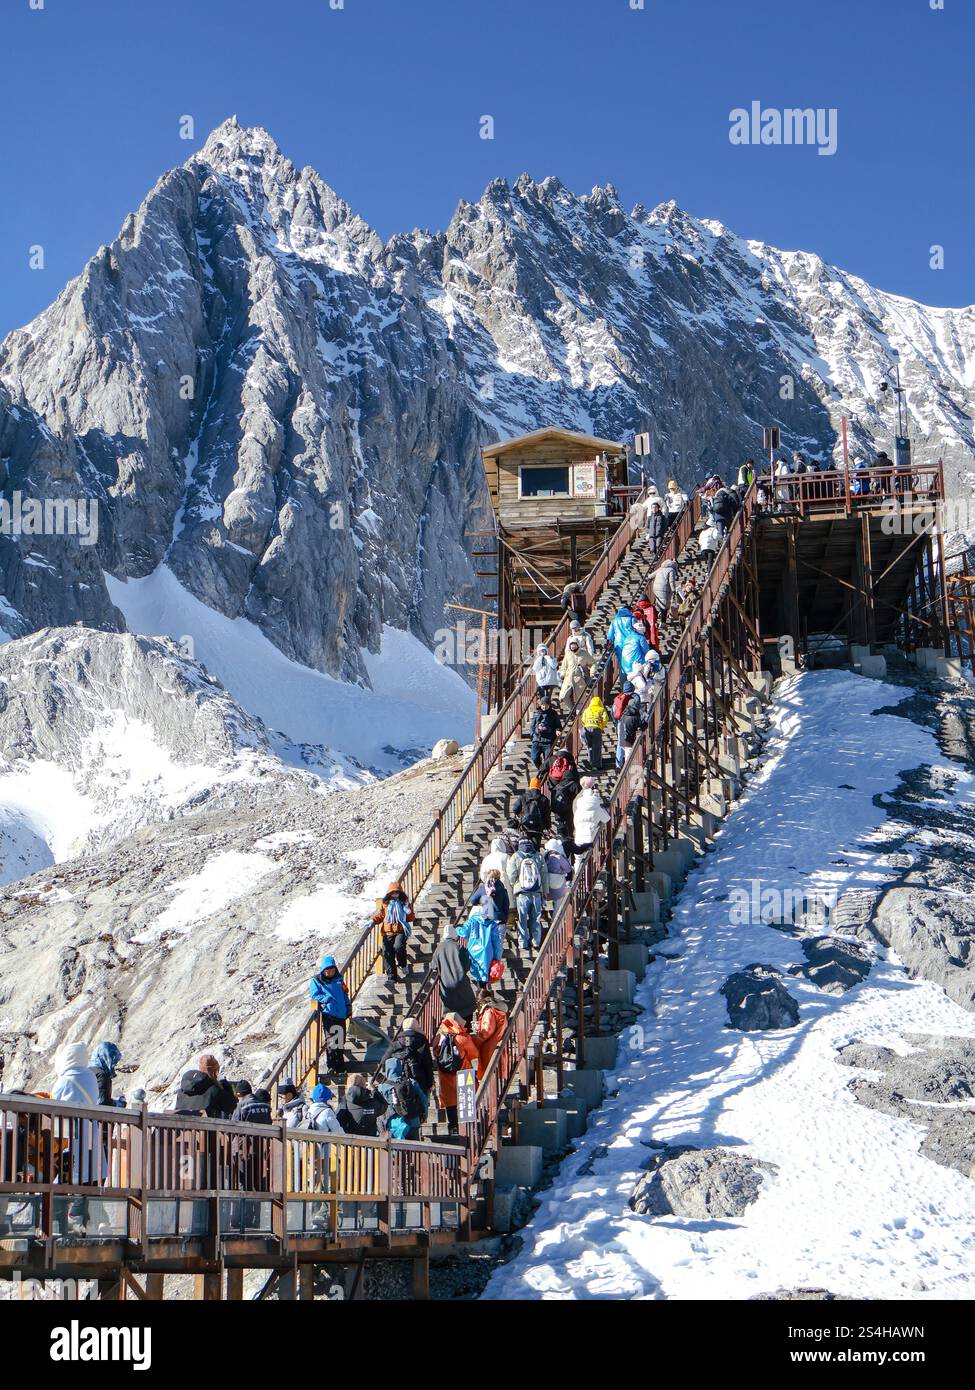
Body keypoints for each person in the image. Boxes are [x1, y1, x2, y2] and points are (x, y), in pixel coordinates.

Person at [52, 1043, 101, 1235]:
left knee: (62, 1180)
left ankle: (58, 1225)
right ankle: (84, 1225)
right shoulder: (90, 1077)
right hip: (89, 1134)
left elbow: (54, 1105)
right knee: (86, 1177)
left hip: (69, 1136)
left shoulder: (66, 1081)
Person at [433, 1013, 479, 1135]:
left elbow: (436, 1054)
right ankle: (469, 1129)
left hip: (445, 1077)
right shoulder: (462, 1038)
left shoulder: (438, 1038)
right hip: (463, 1075)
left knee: (450, 1102)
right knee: (466, 1101)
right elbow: (474, 1054)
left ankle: (453, 1128)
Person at [507, 835, 550, 954]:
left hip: (522, 893)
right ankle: (536, 941)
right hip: (536, 892)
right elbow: (544, 874)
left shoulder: (515, 856)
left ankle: (523, 942)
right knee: (535, 918)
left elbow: (511, 875)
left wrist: (515, 885)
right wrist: (545, 891)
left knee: (522, 918)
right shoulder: (538, 856)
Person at [309, 955, 351, 1073]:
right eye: (327, 970)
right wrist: (325, 998)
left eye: (332, 969)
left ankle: (341, 1066)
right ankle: (332, 1066)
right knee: (332, 1040)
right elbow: (314, 995)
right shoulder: (316, 980)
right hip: (329, 1014)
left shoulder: (339, 979)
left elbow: (345, 994)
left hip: (341, 1014)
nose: (330, 972)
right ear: (323, 970)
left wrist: (348, 1006)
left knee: (340, 1040)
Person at [430, 924, 477, 1022]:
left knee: (451, 1019)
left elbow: (434, 967)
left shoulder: (438, 949)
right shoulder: (459, 947)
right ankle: (466, 1033)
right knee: (467, 1011)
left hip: (446, 986)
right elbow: (467, 965)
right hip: (461, 982)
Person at [372, 881, 414, 984]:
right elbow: (380, 915)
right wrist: (372, 920)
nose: (395, 895)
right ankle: (392, 977)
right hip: (387, 932)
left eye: (397, 892)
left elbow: (411, 917)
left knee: (398, 947)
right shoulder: (385, 904)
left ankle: (402, 964)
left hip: (400, 930)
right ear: (389, 894)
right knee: (387, 954)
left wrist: (408, 910)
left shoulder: (404, 903)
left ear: (400, 893)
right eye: (392, 893)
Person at [383, 1018, 435, 1100]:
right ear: (416, 1028)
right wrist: (430, 1083)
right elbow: (427, 1064)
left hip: (400, 1083)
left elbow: (384, 1061)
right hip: (420, 1081)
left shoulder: (395, 1044)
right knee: (422, 1108)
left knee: (403, 1107)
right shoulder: (422, 1042)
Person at [457, 904, 502, 989]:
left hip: (473, 951)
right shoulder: (492, 923)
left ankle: (481, 993)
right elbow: (497, 942)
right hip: (488, 952)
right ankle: (483, 993)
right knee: (484, 975)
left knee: (477, 973)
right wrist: (497, 958)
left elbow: (463, 933)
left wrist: (456, 929)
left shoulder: (471, 921)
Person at [472, 991, 508, 1079]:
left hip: (490, 1047)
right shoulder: (498, 1009)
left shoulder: (489, 1011)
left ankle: (492, 1092)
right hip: (498, 1042)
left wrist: (474, 1038)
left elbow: (486, 1032)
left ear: (480, 1001)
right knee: (497, 1074)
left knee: (490, 1075)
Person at [573, 776, 610, 860]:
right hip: (590, 835)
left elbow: (575, 819)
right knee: (590, 858)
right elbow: (606, 818)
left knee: (579, 859)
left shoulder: (578, 802)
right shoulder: (596, 805)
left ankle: (577, 871)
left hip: (579, 835)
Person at [548, 747, 580, 834]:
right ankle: (570, 837)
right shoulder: (574, 784)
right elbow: (579, 795)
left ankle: (561, 837)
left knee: (560, 823)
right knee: (570, 822)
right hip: (569, 807)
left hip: (558, 807)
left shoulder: (557, 786)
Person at [512, 776, 552, 843]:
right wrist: (548, 827)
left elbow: (515, 809)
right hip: (538, 826)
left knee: (525, 842)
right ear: (539, 786)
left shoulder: (524, 796)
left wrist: (519, 815)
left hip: (526, 824)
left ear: (530, 786)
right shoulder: (544, 799)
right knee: (536, 845)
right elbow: (547, 815)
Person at [528, 692, 562, 769]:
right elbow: (532, 726)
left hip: (548, 741)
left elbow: (558, 725)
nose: (544, 706)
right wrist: (532, 735)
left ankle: (545, 773)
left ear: (549, 705)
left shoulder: (553, 714)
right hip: (537, 740)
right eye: (542, 705)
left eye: (546, 705)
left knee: (548, 760)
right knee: (534, 757)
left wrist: (558, 730)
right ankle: (541, 769)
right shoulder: (536, 713)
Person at [558, 637, 593, 712]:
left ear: (577, 645)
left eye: (574, 644)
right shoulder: (568, 655)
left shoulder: (584, 654)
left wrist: (592, 673)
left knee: (579, 701)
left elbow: (593, 663)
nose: (572, 646)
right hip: (568, 680)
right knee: (564, 696)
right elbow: (563, 666)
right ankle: (572, 711)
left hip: (580, 681)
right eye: (571, 645)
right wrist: (562, 674)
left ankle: (578, 719)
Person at [471, 866, 510, 930]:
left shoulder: (483, 888)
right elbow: (506, 906)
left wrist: (481, 902)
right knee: (498, 940)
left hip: (486, 920)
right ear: (499, 877)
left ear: (488, 876)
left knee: (486, 940)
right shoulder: (503, 890)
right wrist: (504, 919)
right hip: (499, 920)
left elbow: (473, 900)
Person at [581, 693, 610, 772]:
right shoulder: (601, 709)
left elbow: (583, 719)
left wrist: (586, 725)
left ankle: (590, 762)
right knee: (596, 747)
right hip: (596, 728)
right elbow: (605, 719)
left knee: (589, 746)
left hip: (586, 728)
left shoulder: (587, 710)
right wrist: (601, 726)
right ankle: (596, 765)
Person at [543, 835, 572, 907]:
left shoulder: (544, 856)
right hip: (557, 884)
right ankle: (556, 915)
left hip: (546, 883)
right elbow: (568, 869)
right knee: (558, 902)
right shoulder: (558, 857)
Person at [91, 1042, 121, 1107]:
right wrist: (118, 1103)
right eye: (112, 1059)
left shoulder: (88, 1071)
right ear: (106, 1057)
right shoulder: (102, 1075)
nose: (115, 1064)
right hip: (94, 1115)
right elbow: (103, 1103)